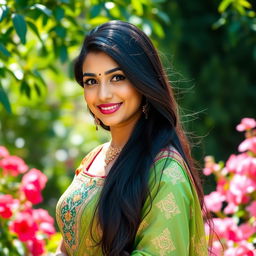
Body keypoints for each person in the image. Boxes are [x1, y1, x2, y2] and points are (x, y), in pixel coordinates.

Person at [55, 20, 210, 256]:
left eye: (117, 77)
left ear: (142, 81)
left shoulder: (165, 171)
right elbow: (68, 244)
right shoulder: (93, 159)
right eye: (91, 82)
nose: (103, 94)